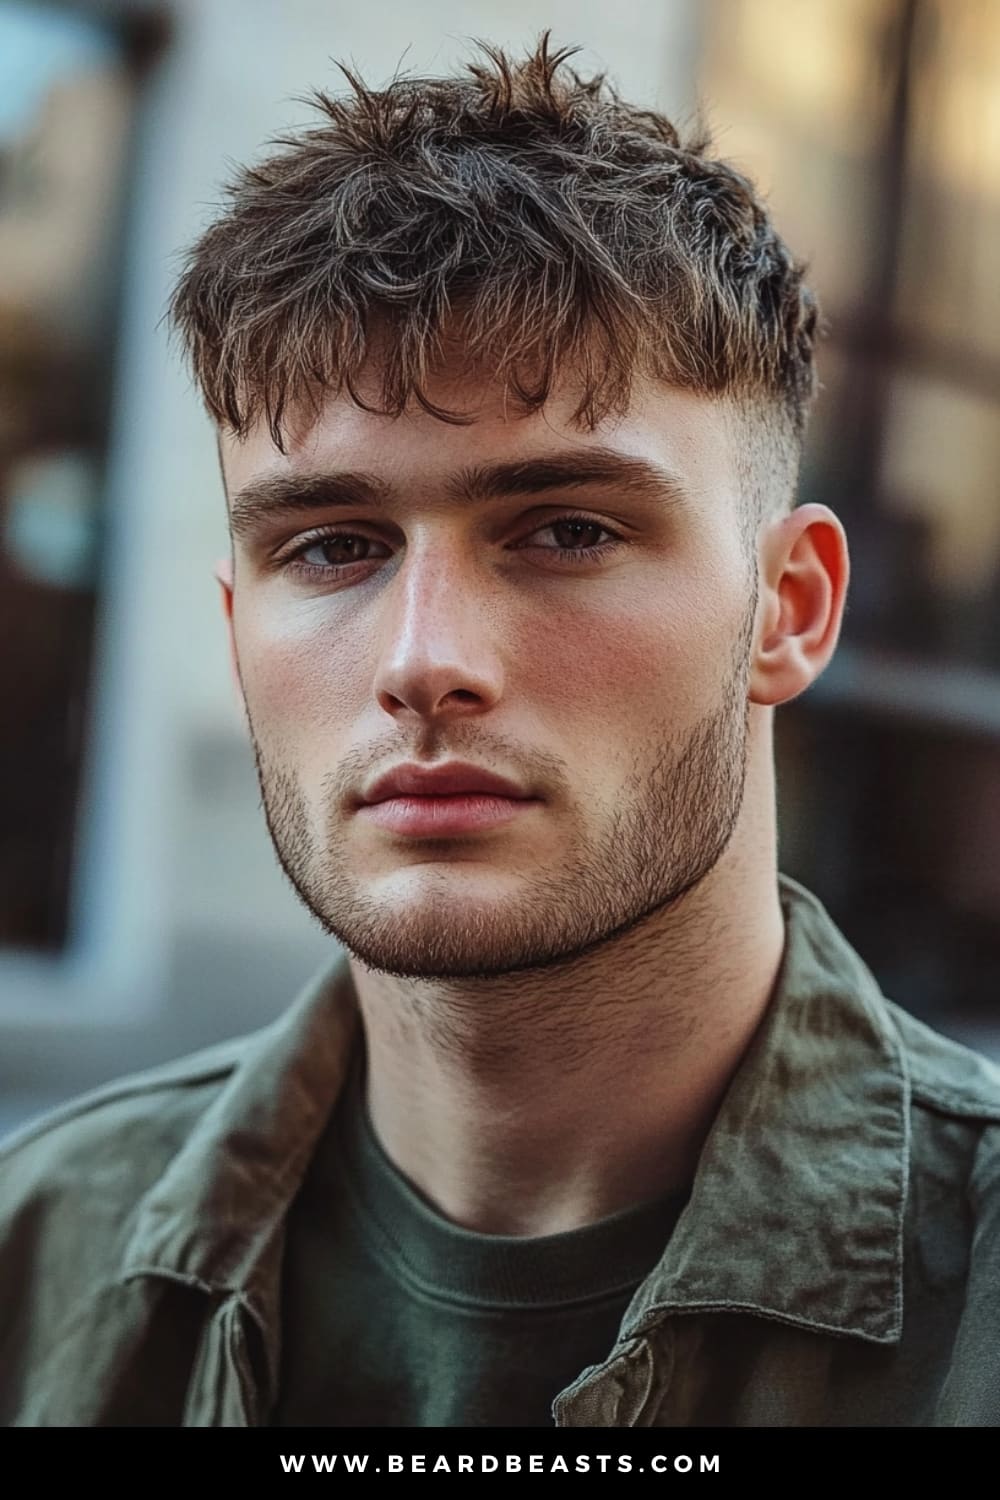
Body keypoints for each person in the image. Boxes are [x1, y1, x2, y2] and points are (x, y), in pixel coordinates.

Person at [2, 37, 999, 1430]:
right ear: (236, 631)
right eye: (333, 546)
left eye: (567, 530)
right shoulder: (36, 1257)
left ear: (790, 608)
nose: (425, 662)